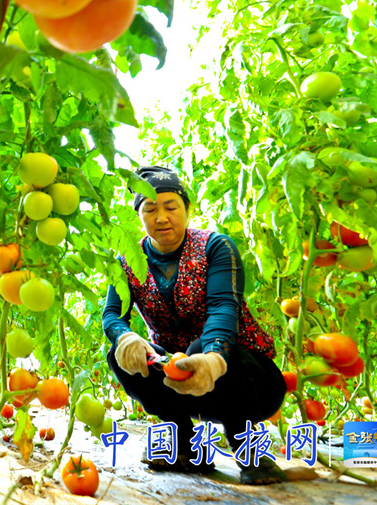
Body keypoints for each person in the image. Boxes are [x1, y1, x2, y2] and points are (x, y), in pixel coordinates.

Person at [102, 166, 287, 485]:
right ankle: (186, 447)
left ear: (187, 209)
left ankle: (250, 453)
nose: (161, 218)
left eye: (170, 207)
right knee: (119, 356)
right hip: (177, 381)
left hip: (248, 381)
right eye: (150, 209)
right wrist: (125, 336)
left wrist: (212, 359)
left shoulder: (215, 247)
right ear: (139, 216)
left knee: (203, 347)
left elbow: (224, 307)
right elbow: (112, 314)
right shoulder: (128, 262)